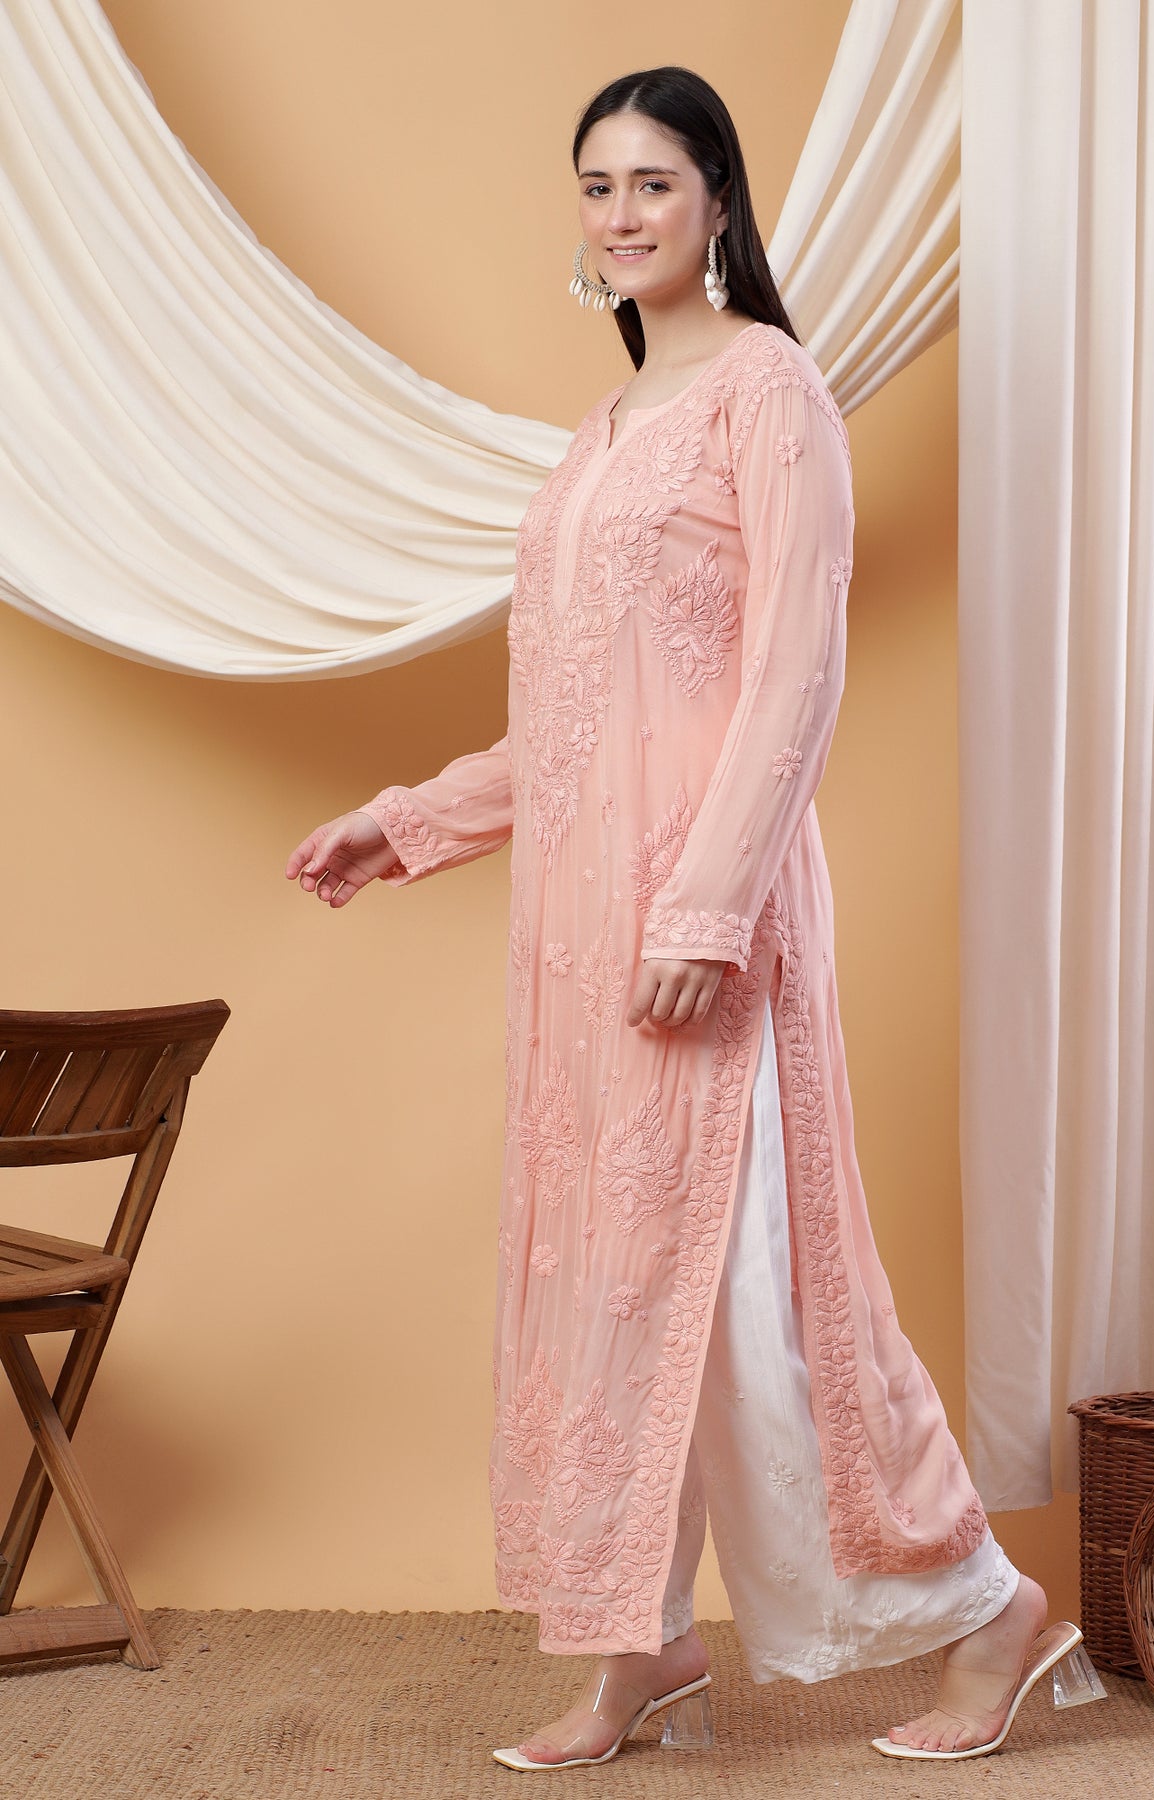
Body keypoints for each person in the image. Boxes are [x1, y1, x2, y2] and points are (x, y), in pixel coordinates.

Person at [285, 65, 1104, 1770]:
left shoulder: (768, 391)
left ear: (717, 200)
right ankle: (638, 1648)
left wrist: (710, 910)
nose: (621, 214)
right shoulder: (597, 440)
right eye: (596, 186)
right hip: (578, 945)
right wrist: (405, 821)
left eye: (652, 181)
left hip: (704, 926)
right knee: (607, 1295)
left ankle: (993, 1615)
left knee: (754, 1297)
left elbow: (794, 673)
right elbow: (573, 726)